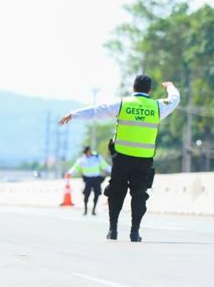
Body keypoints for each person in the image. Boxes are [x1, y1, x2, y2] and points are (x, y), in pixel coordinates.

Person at [58, 75, 180, 242]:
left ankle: (113, 230)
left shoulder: (123, 104)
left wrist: (74, 114)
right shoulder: (157, 107)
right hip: (144, 160)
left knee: (116, 193)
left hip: (122, 158)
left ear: (133, 88)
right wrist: (170, 86)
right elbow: (174, 99)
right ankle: (134, 233)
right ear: (149, 90)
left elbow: (97, 110)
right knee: (139, 195)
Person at [67, 146, 111, 216]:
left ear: (89, 151)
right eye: (85, 153)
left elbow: (105, 166)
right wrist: (70, 172)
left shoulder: (97, 157)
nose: (86, 154)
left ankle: (93, 209)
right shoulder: (82, 160)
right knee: (86, 194)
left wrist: (113, 171)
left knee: (97, 194)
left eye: (87, 152)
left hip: (96, 179)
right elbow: (76, 168)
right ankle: (85, 209)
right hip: (87, 179)